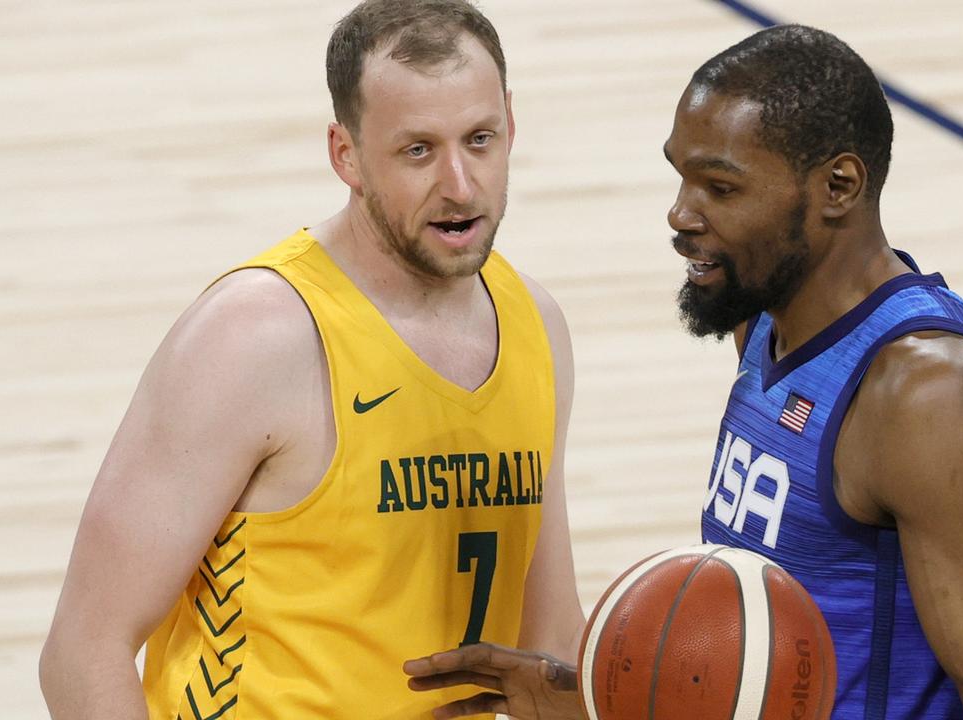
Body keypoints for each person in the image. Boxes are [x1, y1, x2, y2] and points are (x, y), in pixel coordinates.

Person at [404, 24, 963, 720]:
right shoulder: (767, 318)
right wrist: (595, 699)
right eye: (680, 175)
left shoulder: (925, 393)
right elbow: (768, 670)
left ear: (837, 186)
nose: (681, 214)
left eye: (719, 186)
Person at [38, 1, 584, 718]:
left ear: (511, 124)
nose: (459, 182)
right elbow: (83, 651)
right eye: (417, 150)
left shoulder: (535, 326)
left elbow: (548, 642)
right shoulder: (253, 338)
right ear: (345, 154)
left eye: (479, 139)